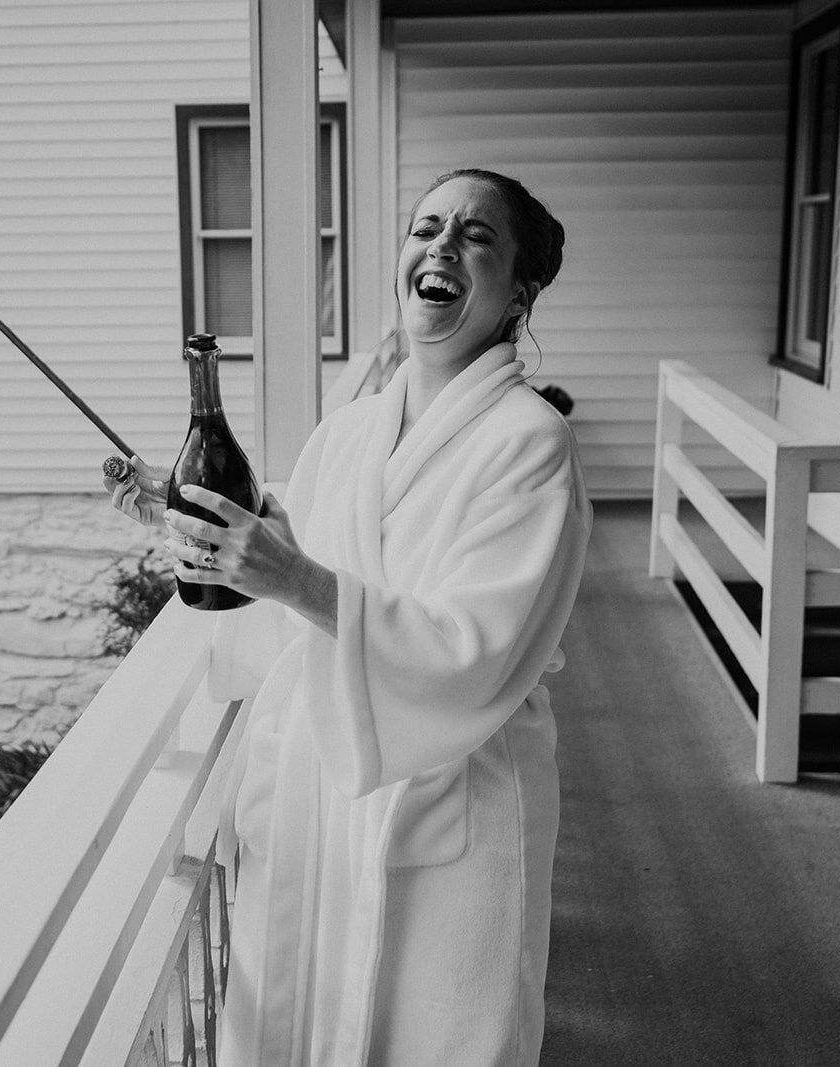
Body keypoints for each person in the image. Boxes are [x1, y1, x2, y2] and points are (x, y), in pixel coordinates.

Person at [105, 168, 591, 1066]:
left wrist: (290, 575)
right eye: (426, 227)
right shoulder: (351, 429)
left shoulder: (531, 443)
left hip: (454, 799)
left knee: (442, 1035)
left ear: (518, 292)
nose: (442, 246)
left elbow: (475, 648)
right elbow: (308, 550)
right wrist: (204, 519)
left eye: (476, 236)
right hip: (326, 804)